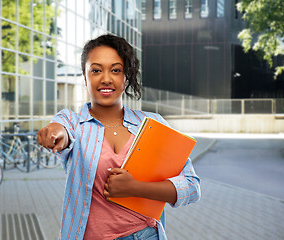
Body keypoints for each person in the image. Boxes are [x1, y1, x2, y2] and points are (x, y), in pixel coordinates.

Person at [38, 34, 201, 240]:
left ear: (126, 76)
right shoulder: (73, 122)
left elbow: (191, 187)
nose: (106, 78)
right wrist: (54, 133)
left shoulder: (153, 123)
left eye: (116, 70)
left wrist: (135, 188)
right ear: (85, 76)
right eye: (96, 70)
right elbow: (60, 129)